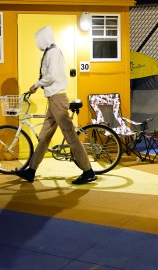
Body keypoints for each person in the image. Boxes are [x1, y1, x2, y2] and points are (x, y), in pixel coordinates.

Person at [14, 25, 96, 185]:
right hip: (52, 100)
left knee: (70, 137)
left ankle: (88, 171)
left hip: (57, 99)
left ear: (43, 39)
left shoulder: (53, 52)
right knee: (44, 137)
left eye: (38, 39)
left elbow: (52, 75)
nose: (37, 43)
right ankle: (31, 171)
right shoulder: (49, 52)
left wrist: (36, 85)